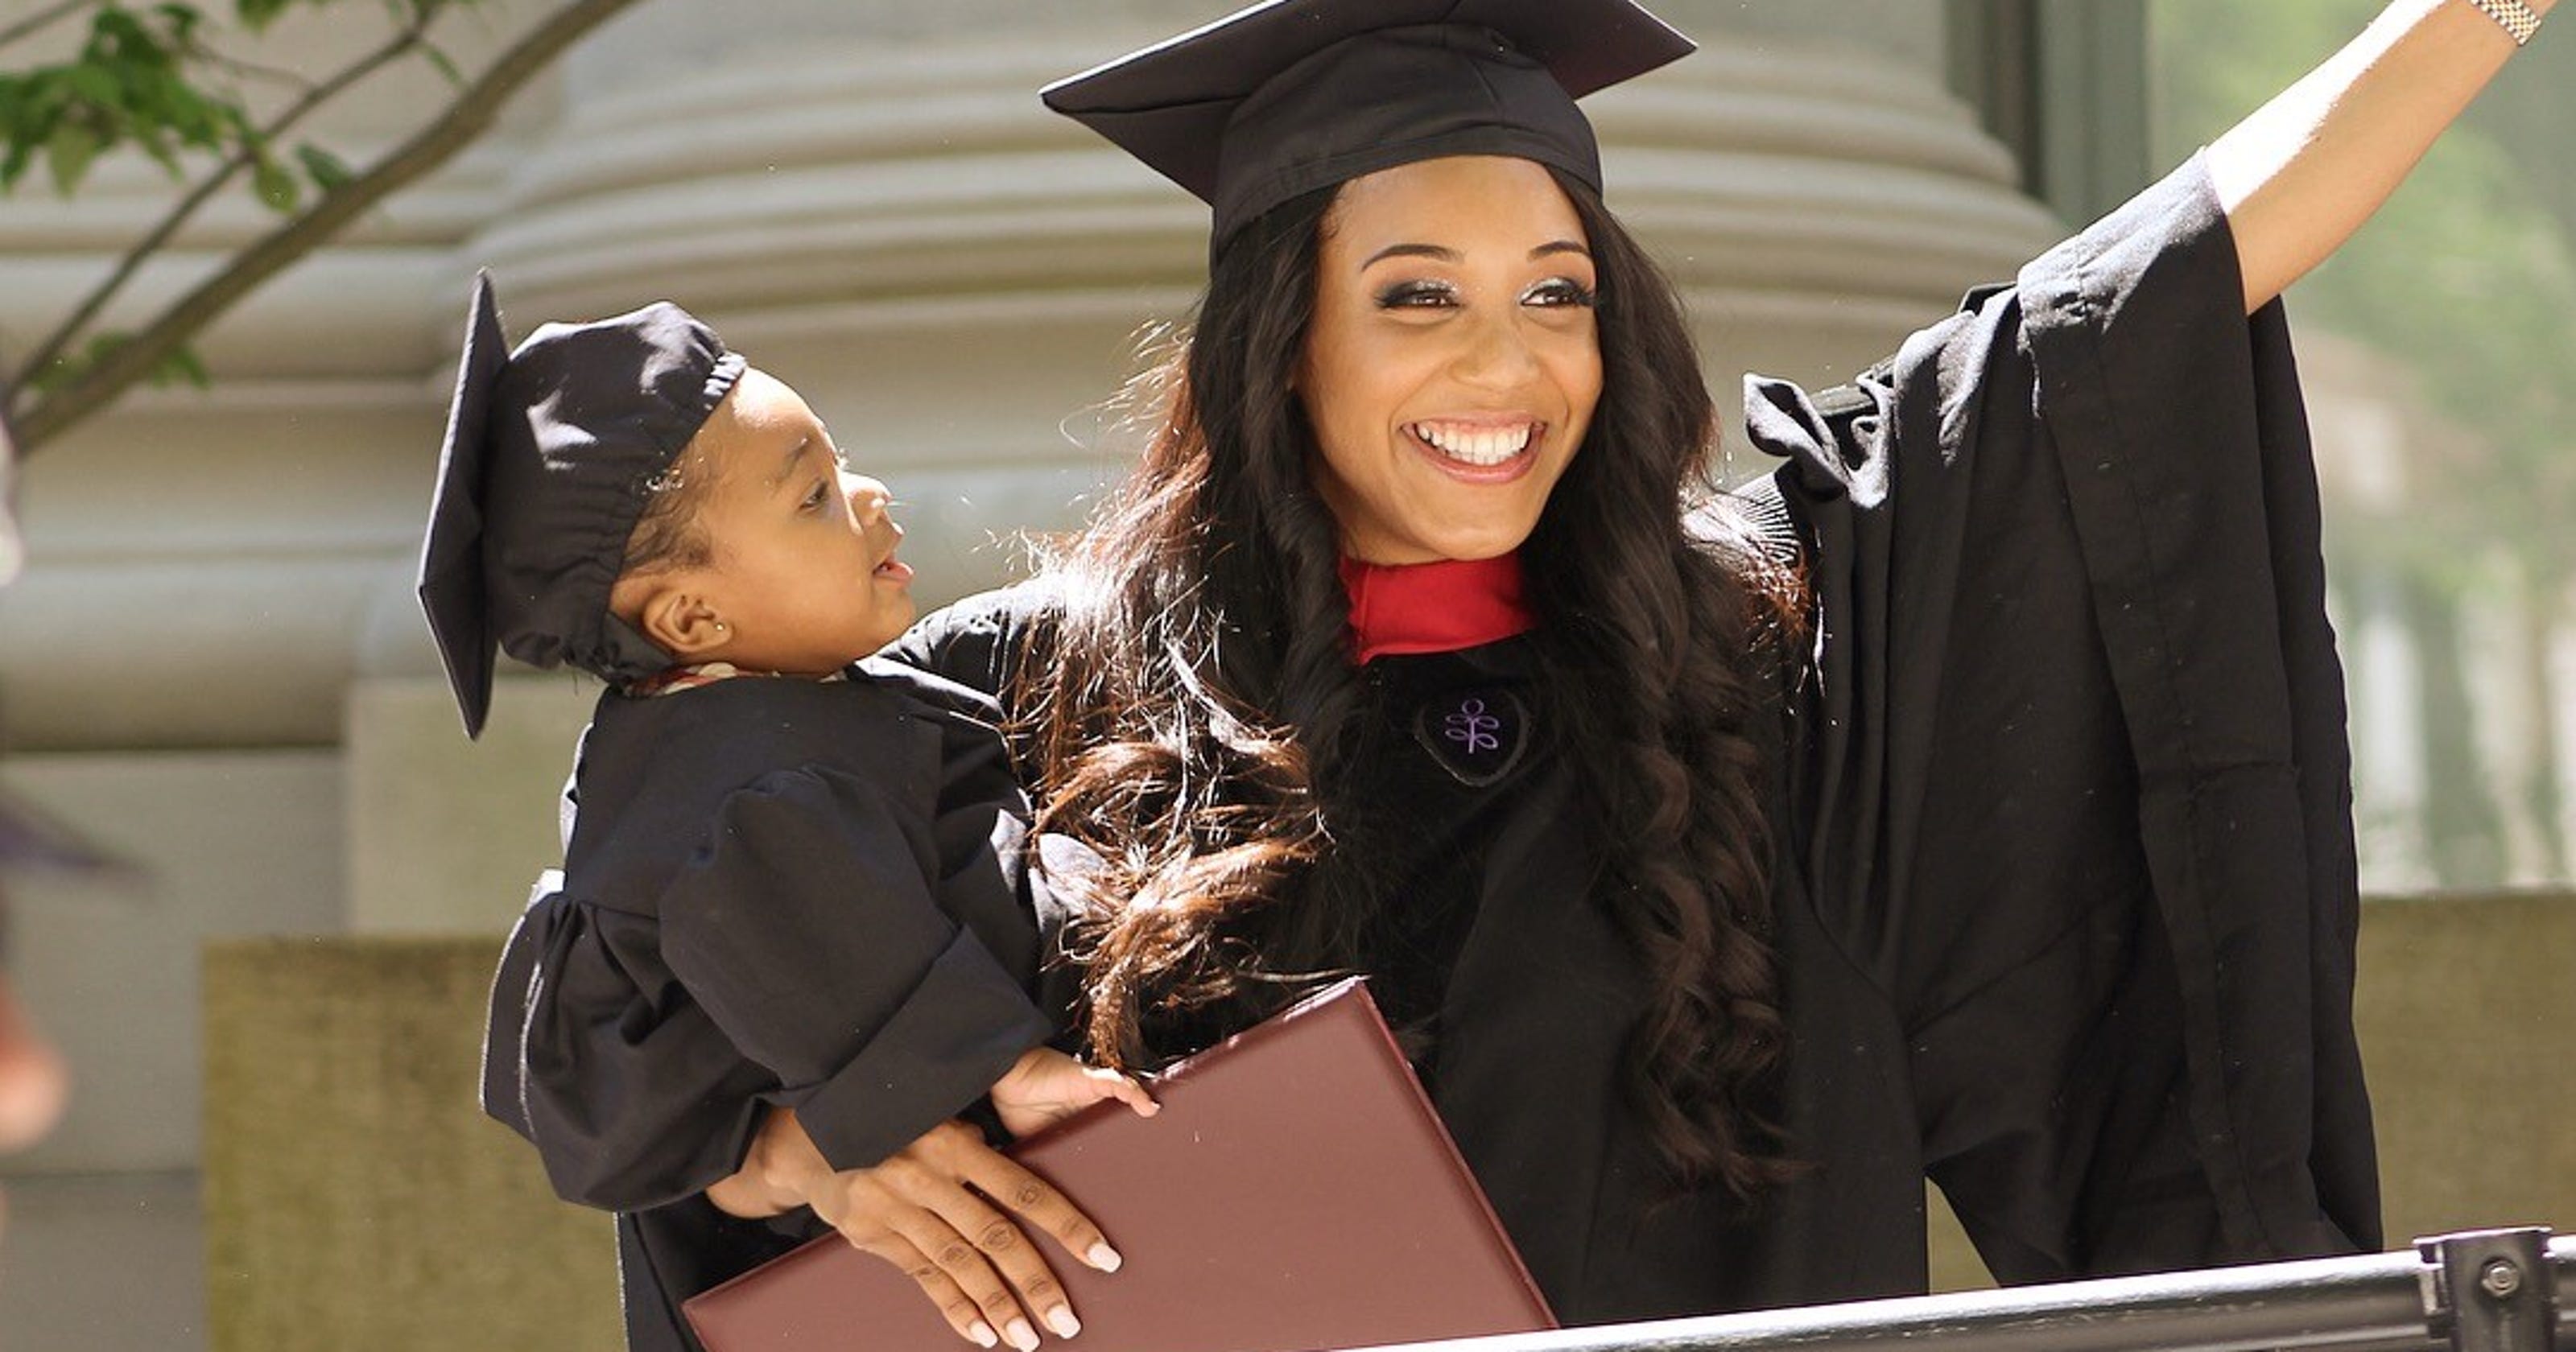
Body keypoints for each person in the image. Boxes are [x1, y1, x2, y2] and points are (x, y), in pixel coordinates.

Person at [690, 0, 2557, 1335]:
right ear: (1280, 346)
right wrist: (817, 1152)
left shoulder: (1766, 655)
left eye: (1555, 290)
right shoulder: (1027, 704)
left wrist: (2475, 9)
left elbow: (2116, 321)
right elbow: (624, 979)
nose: (1503, 368)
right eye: (1415, 296)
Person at [419, 278, 1150, 1352]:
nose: (869, 496)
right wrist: (1013, 1069)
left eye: (839, 460)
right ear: (693, 616)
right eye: (811, 497)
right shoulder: (747, 773)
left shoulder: (746, 722)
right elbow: (822, 932)